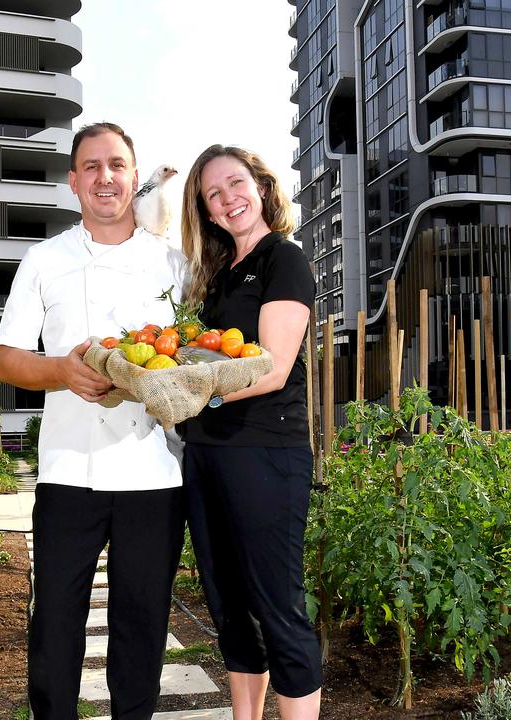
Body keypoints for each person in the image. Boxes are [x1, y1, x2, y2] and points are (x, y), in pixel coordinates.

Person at [0, 122, 187, 720]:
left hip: (153, 473)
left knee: (143, 624)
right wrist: (62, 372)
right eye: (93, 167)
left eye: (118, 165)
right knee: (54, 626)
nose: (106, 177)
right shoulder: (44, 260)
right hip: (67, 470)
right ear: (74, 181)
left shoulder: (173, 264)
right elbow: (7, 359)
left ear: (134, 177)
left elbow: (194, 351)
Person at [177, 145, 322, 720]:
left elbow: (273, 367)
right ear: (208, 213)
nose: (228, 198)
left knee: (277, 606)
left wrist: (196, 391)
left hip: (264, 453)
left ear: (260, 187)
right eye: (214, 194)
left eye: (235, 184)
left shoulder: (283, 259)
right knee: (229, 606)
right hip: (208, 452)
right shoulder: (216, 279)